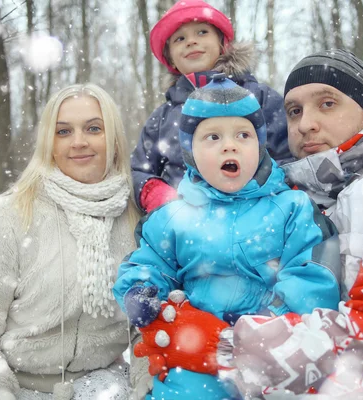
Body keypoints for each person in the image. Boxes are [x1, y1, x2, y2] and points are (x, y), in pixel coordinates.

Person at [130, 50, 363, 399]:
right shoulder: (291, 193)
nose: (306, 124)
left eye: (327, 103)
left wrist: (223, 347)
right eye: (294, 111)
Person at [113, 75, 341, 399]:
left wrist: (266, 328)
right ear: (190, 152)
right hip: (194, 357)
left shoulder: (292, 207)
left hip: (274, 356)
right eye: (213, 137)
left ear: (260, 147)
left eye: (243, 135)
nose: (229, 145)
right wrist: (141, 292)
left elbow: (311, 278)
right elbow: (150, 262)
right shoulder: (174, 216)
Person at [0, 84, 147, 400]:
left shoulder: (137, 216)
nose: (79, 142)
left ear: (114, 140)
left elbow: (144, 326)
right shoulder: (9, 215)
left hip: (107, 386)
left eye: (93, 128)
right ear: (49, 143)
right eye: (63, 131)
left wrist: (149, 384)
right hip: (17, 386)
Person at [132, 0, 293, 214]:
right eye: (180, 38)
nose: (191, 42)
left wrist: (266, 192)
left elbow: (287, 154)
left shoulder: (258, 97)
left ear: (222, 43)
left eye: (201, 32)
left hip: (254, 217)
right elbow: (140, 169)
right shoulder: (162, 117)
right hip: (185, 223)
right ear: (170, 56)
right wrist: (157, 194)